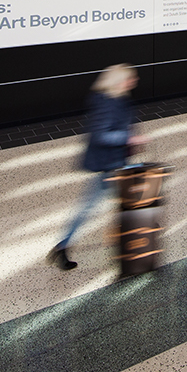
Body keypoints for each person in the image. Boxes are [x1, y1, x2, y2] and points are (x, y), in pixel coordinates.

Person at [47, 63, 143, 270]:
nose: (134, 81)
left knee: (109, 207)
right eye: (130, 78)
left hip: (116, 162)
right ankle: (123, 250)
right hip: (108, 165)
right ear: (118, 81)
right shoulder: (107, 102)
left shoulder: (120, 98)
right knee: (103, 208)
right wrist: (130, 138)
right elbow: (100, 135)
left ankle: (63, 247)